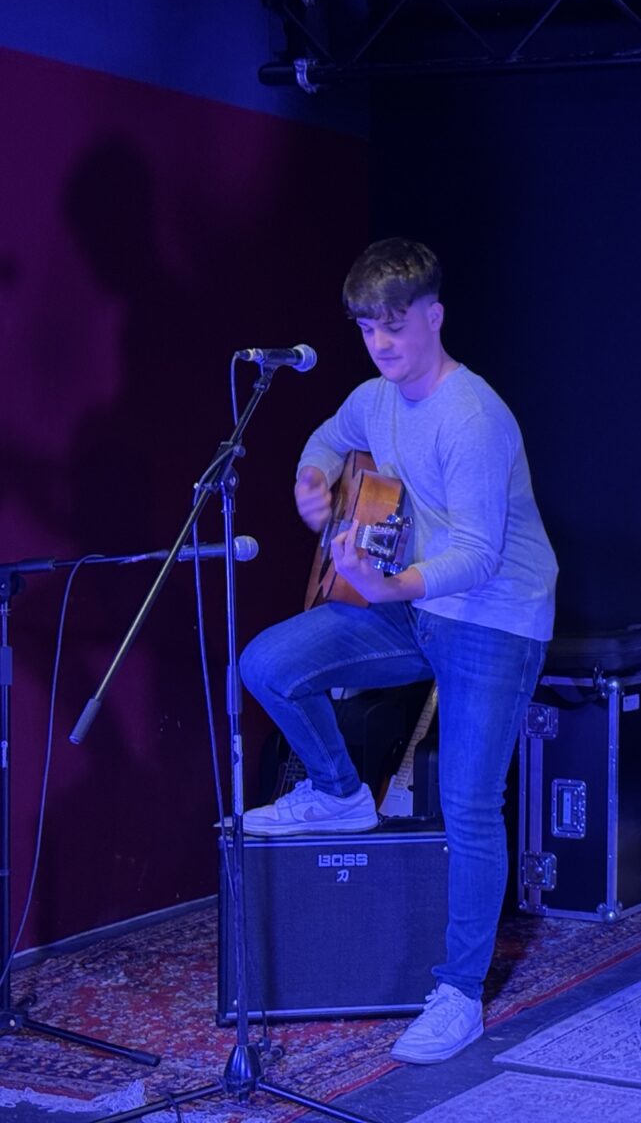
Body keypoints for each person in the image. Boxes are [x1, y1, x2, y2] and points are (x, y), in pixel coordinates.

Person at [240, 238, 557, 1064]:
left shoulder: (473, 417)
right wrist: (313, 482)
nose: (380, 342)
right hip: (416, 607)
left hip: (494, 619)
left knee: (469, 803)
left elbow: (479, 556)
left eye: (393, 324)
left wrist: (387, 585)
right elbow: (324, 437)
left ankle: (459, 995)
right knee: (267, 664)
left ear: (433, 317)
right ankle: (339, 792)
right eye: (366, 327)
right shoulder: (373, 400)